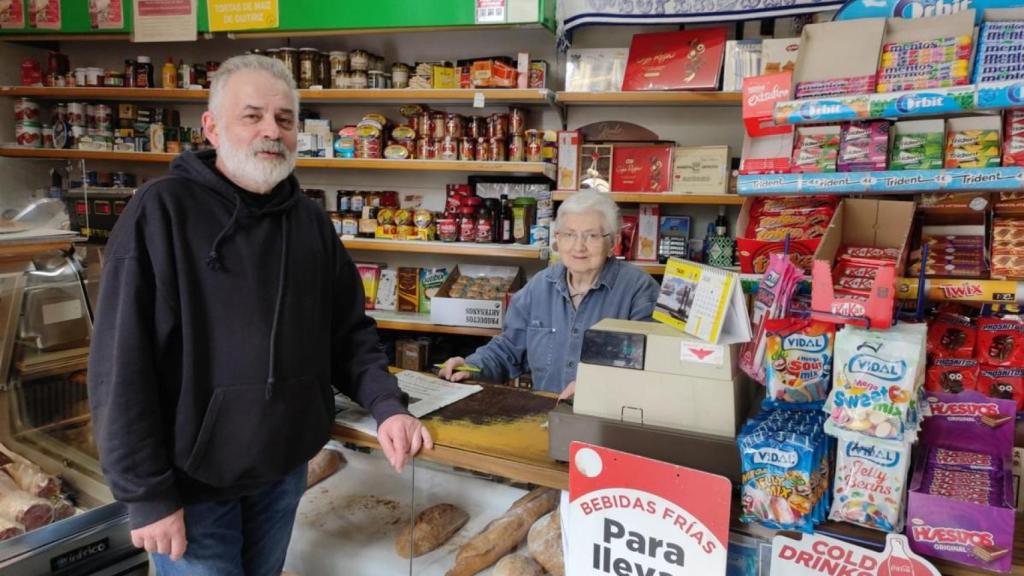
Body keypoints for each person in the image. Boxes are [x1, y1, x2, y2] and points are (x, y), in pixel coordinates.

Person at [87, 55, 432, 576]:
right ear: (212, 126)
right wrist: (147, 494)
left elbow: (349, 333)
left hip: (282, 472)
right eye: (252, 116)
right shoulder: (160, 212)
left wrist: (388, 405)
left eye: (285, 119)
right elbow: (120, 364)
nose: (271, 131)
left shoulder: (310, 223)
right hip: (192, 485)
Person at [438, 190, 660, 397]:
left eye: (591, 236)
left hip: (610, 423)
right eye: (569, 235)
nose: (578, 246)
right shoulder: (539, 287)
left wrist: (595, 387)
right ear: (558, 239)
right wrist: (472, 366)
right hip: (547, 417)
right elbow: (508, 348)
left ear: (613, 242)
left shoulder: (639, 290)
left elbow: (652, 368)